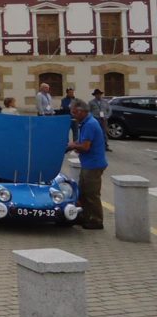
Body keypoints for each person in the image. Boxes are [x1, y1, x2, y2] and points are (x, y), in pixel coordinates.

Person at [66, 97, 108, 229]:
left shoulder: (90, 124)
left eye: (74, 112)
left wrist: (72, 145)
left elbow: (85, 147)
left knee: (91, 194)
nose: (73, 115)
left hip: (93, 165)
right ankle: (85, 216)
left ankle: (96, 221)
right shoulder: (86, 122)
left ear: (80, 111)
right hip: (88, 164)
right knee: (82, 193)